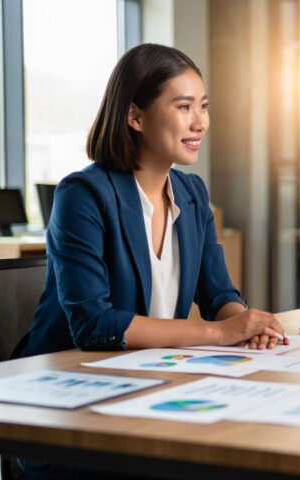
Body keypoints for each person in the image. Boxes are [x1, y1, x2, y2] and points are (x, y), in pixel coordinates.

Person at [19, 44, 285, 478]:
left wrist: (246, 326)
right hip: (74, 412)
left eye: (203, 106)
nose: (200, 122)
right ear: (135, 116)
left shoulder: (193, 194)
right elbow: (95, 325)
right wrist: (219, 332)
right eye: (183, 107)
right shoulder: (83, 195)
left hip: (154, 387)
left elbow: (218, 294)